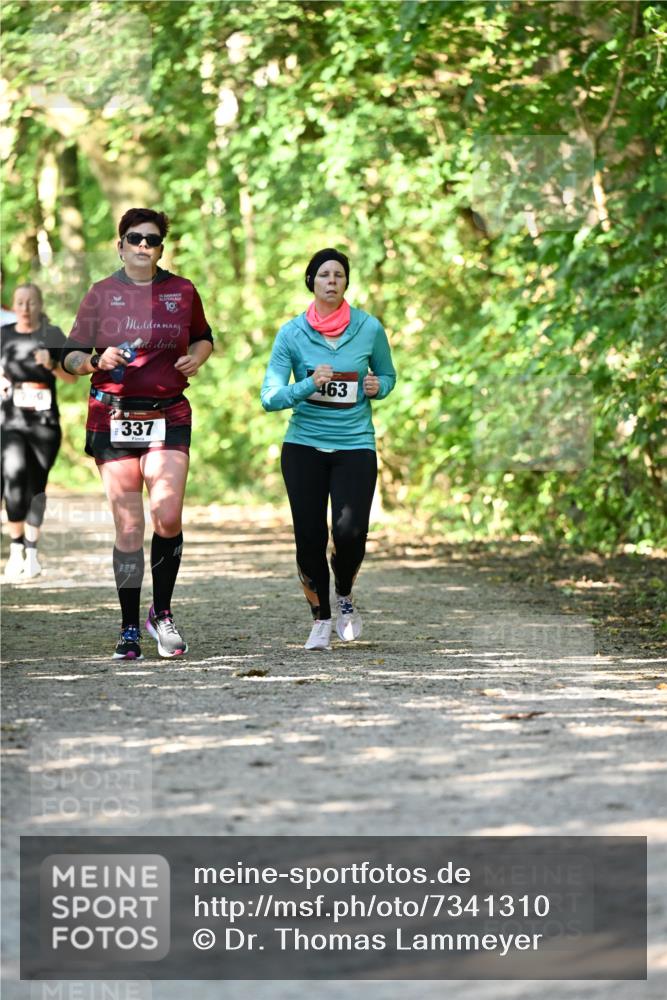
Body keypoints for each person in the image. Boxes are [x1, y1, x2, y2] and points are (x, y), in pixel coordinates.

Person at [62, 208, 213, 659]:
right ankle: (129, 627)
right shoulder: (101, 293)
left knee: (167, 515)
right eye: (135, 239)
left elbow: (204, 337)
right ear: (120, 245)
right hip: (113, 416)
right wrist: (94, 362)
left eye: (151, 240)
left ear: (161, 247)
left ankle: (160, 614)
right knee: (129, 526)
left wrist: (198, 357)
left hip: (168, 414)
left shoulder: (182, 291)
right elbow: (69, 355)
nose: (143, 246)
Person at [261, 248, 396, 650]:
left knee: (350, 533)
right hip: (303, 446)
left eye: (339, 274)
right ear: (311, 282)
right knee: (309, 537)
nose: (332, 280)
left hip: (355, 445)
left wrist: (379, 387)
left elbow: (387, 374)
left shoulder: (368, 328)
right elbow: (270, 397)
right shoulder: (291, 333)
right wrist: (308, 385)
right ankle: (321, 618)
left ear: (346, 283)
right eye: (324, 274)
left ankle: (345, 595)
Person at [1, 283, 76, 581]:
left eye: (31, 302)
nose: (25, 308)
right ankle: (16, 547)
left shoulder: (53, 334)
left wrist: (54, 365)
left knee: (36, 485)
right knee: (14, 475)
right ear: (14, 305)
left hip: (44, 423)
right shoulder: (4, 335)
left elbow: (72, 378)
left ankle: (31, 552)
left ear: (40, 304)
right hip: (11, 420)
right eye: (20, 302)